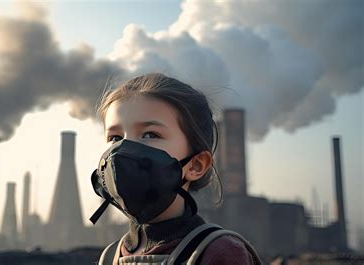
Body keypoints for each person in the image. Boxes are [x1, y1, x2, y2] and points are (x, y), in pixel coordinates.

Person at [89, 73, 262, 264]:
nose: (123, 150)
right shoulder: (109, 256)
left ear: (196, 165)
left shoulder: (220, 252)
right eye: (115, 138)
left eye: (149, 134)